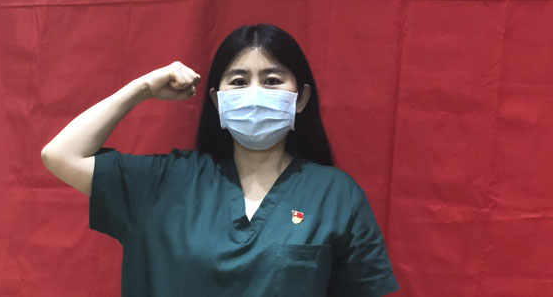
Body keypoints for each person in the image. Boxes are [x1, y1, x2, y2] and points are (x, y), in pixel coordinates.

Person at [41, 24, 399, 297]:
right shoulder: (163, 182)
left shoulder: (335, 194)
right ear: (217, 101)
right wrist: (143, 88)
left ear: (300, 98)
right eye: (239, 81)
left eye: (272, 80)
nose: (255, 94)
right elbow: (61, 155)